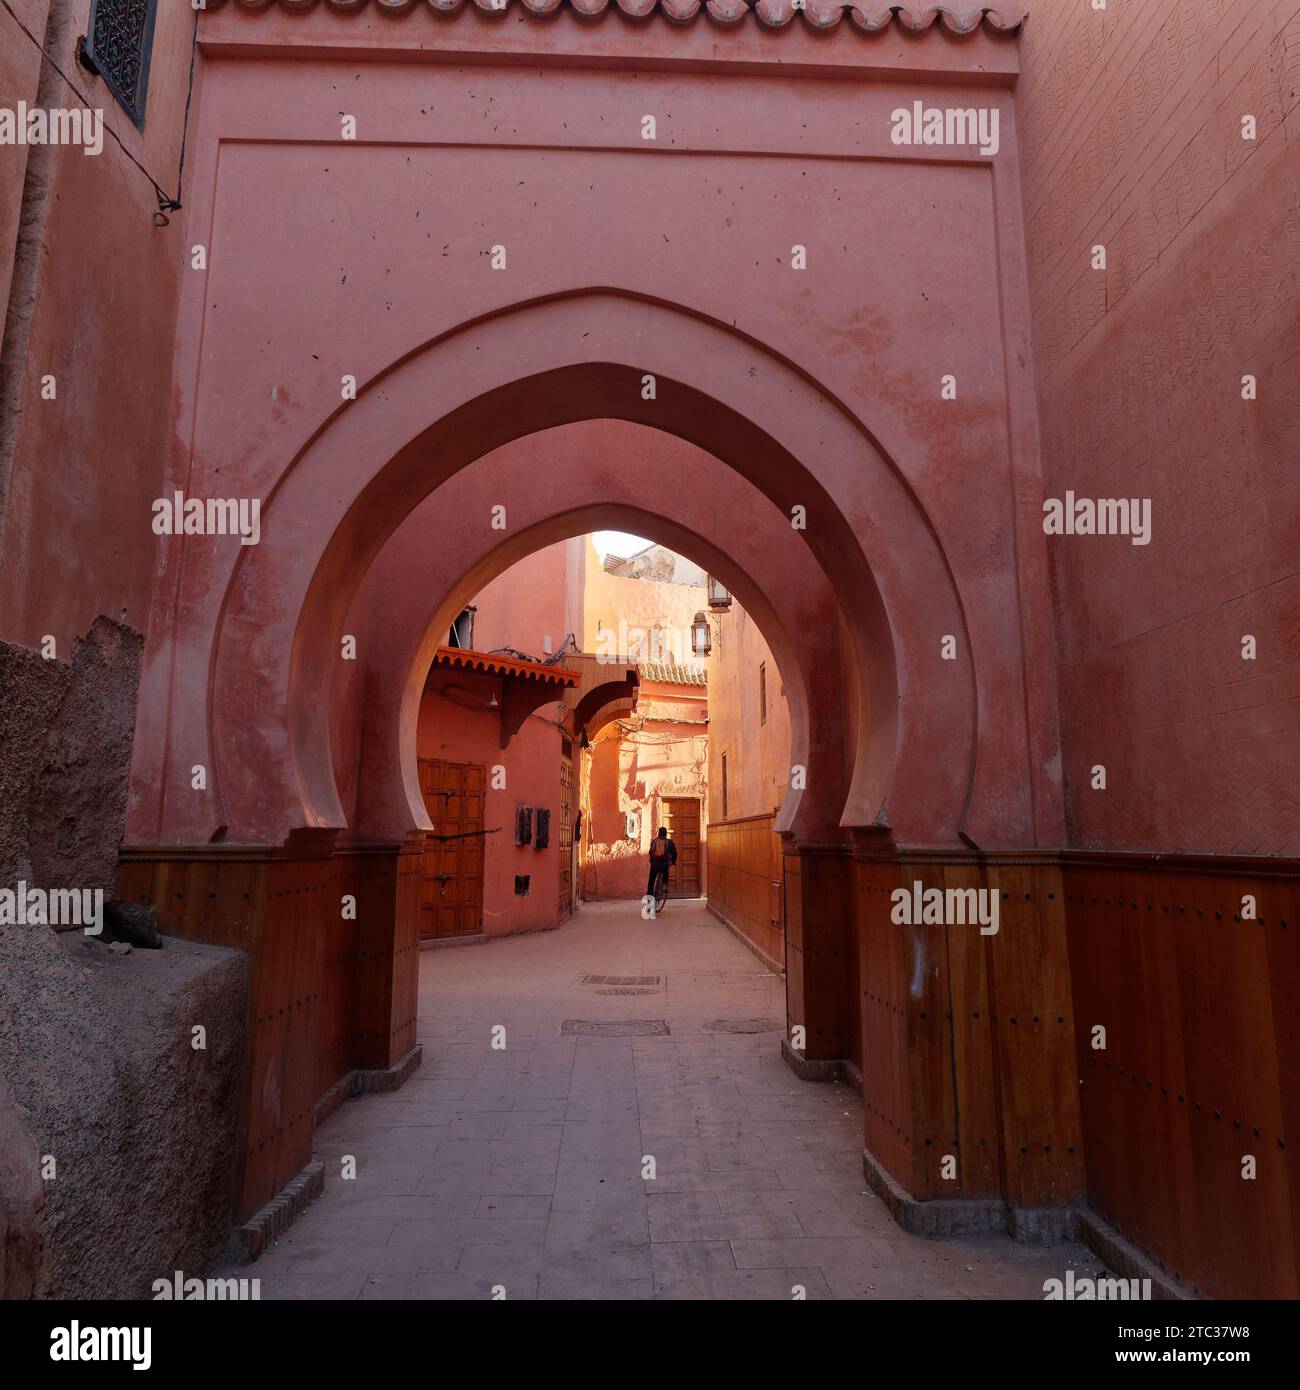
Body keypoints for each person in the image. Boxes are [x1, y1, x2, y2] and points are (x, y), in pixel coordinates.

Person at [646, 826, 677, 899]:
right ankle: (664, 885)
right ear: (666, 834)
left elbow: (650, 852)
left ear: (659, 833)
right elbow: (674, 853)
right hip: (664, 864)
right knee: (665, 871)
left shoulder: (654, 841)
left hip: (654, 865)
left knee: (651, 883)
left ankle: (649, 902)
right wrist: (673, 861)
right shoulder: (669, 842)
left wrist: (652, 860)